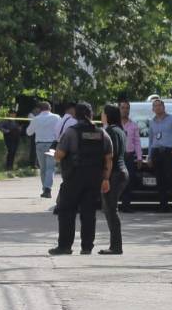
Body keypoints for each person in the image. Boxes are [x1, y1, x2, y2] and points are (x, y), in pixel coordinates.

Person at [49, 103, 113, 256]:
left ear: (75, 116)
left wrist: (55, 153)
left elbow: (59, 155)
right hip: (94, 178)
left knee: (66, 212)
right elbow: (109, 159)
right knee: (89, 213)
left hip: (74, 177)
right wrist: (106, 179)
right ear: (91, 115)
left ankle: (64, 246)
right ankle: (87, 247)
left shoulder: (70, 133)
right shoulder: (102, 133)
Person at [99, 105, 129, 255]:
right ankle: (115, 245)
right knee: (109, 208)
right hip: (121, 172)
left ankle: (116, 246)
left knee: (111, 209)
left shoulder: (111, 131)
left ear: (108, 115)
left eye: (103, 113)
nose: (101, 116)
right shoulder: (120, 129)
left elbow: (111, 155)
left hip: (115, 173)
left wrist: (106, 177)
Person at [147, 97, 172, 212]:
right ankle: (163, 205)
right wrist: (149, 156)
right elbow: (151, 140)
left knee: (170, 178)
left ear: (164, 107)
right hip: (156, 152)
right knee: (160, 179)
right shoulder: (152, 122)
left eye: (160, 105)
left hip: (168, 152)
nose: (158, 108)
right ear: (153, 109)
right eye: (155, 106)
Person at [27, 101, 61, 198]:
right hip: (52, 144)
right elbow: (60, 130)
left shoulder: (36, 119)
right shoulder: (56, 117)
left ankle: (44, 188)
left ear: (39, 109)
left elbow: (29, 132)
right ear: (50, 108)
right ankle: (47, 188)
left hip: (40, 145)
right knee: (50, 168)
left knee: (43, 168)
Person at [118, 98, 142, 212]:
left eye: (127, 108)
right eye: (123, 108)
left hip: (128, 156)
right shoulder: (115, 125)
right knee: (116, 180)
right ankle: (113, 205)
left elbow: (137, 142)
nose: (125, 110)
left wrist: (139, 157)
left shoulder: (133, 125)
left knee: (128, 180)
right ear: (119, 109)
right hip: (117, 156)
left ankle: (126, 205)